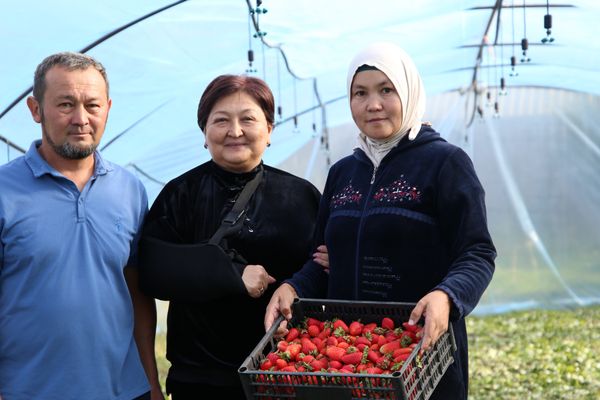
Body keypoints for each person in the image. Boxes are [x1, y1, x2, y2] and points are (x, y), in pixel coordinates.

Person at [265, 42, 496, 399]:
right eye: (360, 93)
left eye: (386, 90)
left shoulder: (445, 163)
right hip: (349, 355)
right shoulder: (342, 173)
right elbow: (324, 261)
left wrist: (446, 295)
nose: (373, 104)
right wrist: (294, 287)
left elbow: (477, 253)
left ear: (408, 91)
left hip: (421, 350)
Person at [137, 74, 325, 399]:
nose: (234, 131)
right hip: (201, 380)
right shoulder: (180, 194)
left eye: (248, 119)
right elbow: (153, 271)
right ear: (204, 133)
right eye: (221, 120)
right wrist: (233, 275)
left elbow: (322, 271)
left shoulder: (302, 197)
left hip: (287, 371)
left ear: (269, 130)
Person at [0, 52, 163, 400]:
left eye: (92, 105)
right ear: (35, 109)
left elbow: (136, 295)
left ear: (107, 107)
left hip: (124, 391)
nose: (81, 119)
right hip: (27, 392)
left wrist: (151, 383)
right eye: (65, 104)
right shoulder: (4, 191)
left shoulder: (130, 190)